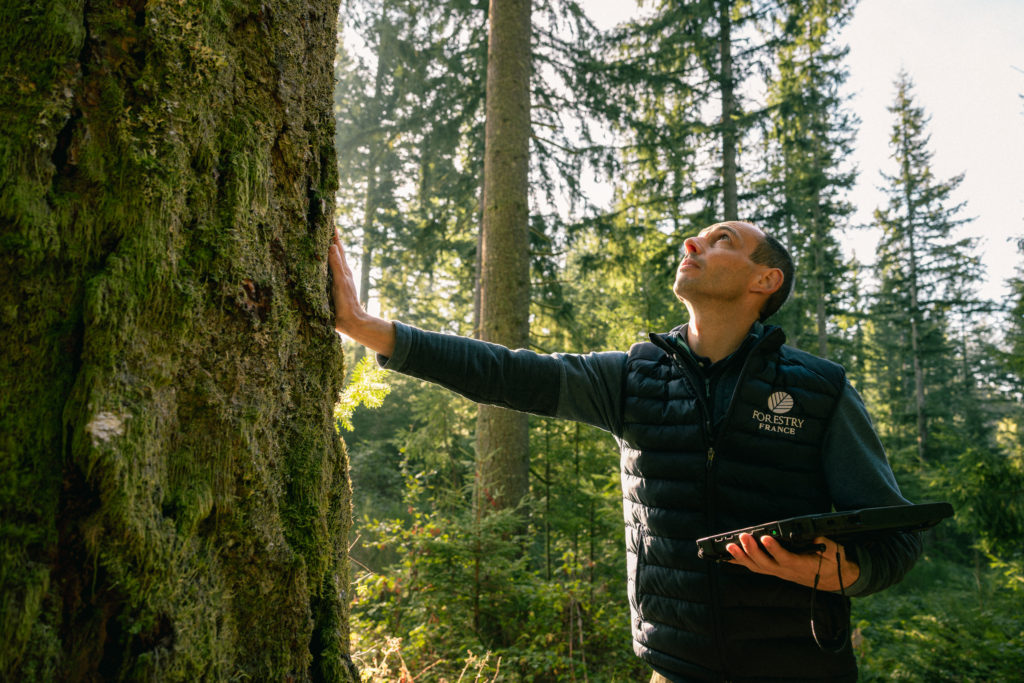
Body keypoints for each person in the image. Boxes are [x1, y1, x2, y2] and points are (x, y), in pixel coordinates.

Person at [328, 220, 922, 682]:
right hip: (675, 669)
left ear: (764, 282)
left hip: (803, 669)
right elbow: (507, 373)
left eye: (723, 240)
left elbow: (897, 537)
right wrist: (362, 325)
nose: (693, 243)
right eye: (700, 235)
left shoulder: (820, 390)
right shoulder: (632, 378)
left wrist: (844, 572)